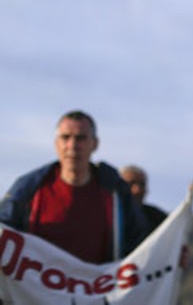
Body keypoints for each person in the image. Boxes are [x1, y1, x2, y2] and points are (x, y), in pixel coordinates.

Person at [0, 110, 146, 263]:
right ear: (56, 144)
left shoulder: (115, 193)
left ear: (94, 144)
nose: (73, 146)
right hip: (35, 284)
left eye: (81, 138)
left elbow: (138, 245)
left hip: (98, 285)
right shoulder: (29, 189)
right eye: (65, 137)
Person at [121, 164, 169, 233]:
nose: (137, 190)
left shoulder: (156, 217)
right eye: (130, 184)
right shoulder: (108, 216)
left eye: (142, 185)